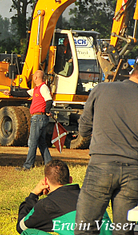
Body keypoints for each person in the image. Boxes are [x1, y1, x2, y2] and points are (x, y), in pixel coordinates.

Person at [74, 63, 138, 235]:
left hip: (101, 165)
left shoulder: (101, 89)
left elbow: (84, 130)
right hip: (134, 171)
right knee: (124, 231)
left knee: (86, 228)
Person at [17, 159, 112, 235]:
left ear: (46, 182)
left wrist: (33, 195)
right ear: (70, 179)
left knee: (27, 233)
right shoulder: (92, 196)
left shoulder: (48, 204)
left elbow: (21, 227)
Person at [20, 70, 53, 171]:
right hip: (39, 118)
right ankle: (49, 164)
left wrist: (47, 110)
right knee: (41, 142)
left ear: (36, 78)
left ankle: (28, 165)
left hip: (38, 118)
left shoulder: (43, 87)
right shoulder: (37, 89)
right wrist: (11, 92)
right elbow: (24, 93)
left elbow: (49, 100)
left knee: (32, 142)